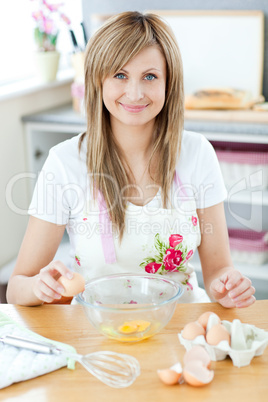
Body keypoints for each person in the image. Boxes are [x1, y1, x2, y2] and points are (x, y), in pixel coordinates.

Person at [7, 11, 255, 308]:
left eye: (150, 76)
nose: (135, 93)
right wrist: (40, 286)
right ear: (98, 80)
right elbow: (17, 287)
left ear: (168, 83)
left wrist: (228, 286)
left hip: (180, 324)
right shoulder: (64, 163)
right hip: (98, 329)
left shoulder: (197, 154)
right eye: (120, 75)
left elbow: (218, 270)